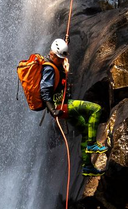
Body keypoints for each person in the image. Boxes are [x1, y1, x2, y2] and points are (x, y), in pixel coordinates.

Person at [40, 39, 108, 176]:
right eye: (59, 58)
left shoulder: (55, 63)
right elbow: (44, 92)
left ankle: (87, 166)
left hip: (63, 105)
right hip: (62, 107)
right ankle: (92, 144)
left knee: (84, 129)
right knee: (96, 109)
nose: (61, 60)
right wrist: (53, 110)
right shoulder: (48, 69)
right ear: (53, 54)